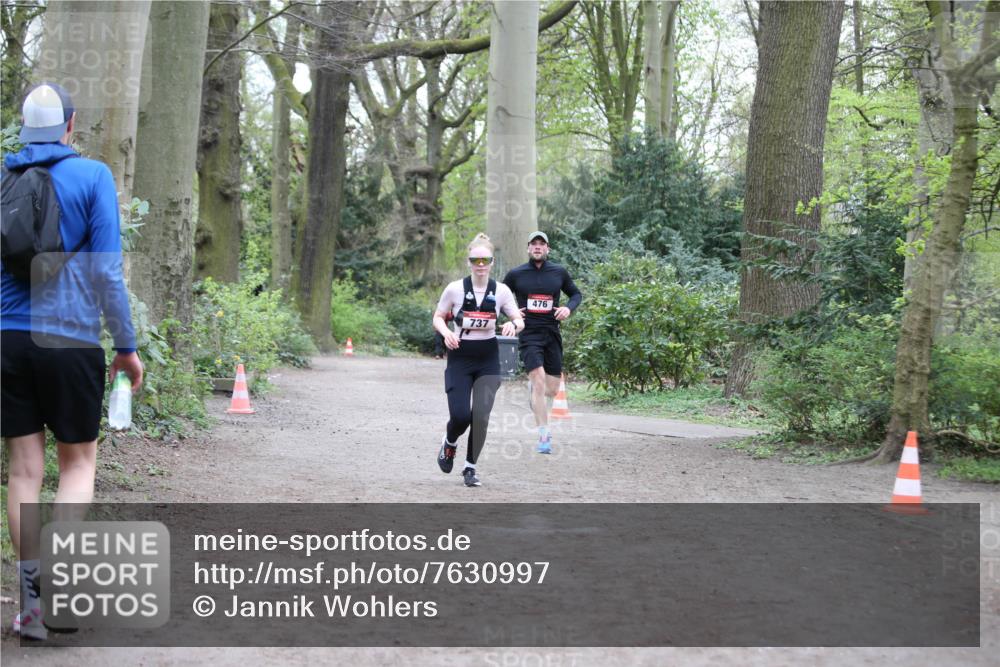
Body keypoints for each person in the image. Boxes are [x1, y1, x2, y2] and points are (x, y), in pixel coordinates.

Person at [1, 83, 144, 640]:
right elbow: (107, 272)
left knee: (24, 472)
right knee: (78, 466)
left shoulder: (4, 179)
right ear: (69, 124)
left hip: (7, 340)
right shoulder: (93, 176)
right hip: (70, 341)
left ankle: (29, 606)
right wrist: (126, 347)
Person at [432, 233, 524, 487]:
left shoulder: (502, 291)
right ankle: (449, 442)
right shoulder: (454, 289)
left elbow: (518, 319)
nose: (481, 265)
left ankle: (470, 467)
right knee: (461, 416)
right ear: (469, 262)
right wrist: (447, 332)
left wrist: (513, 325)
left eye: (486, 260)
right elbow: (438, 316)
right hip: (460, 357)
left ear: (492, 262)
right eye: (476, 260)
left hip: (488, 358)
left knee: (481, 416)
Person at [502, 231, 582, 454]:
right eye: (534, 244)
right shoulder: (516, 274)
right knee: (538, 380)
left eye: (542, 244)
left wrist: (568, 308)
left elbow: (576, 294)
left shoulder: (559, 272)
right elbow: (498, 296)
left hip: (551, 333)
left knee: (552, 389)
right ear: (528, 248)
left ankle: (535, 390)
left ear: (548, 249)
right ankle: (543, 435)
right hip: (528, 333)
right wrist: (510, 312)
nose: (538, 247)